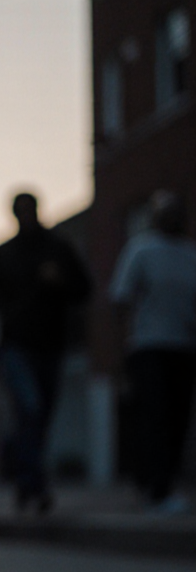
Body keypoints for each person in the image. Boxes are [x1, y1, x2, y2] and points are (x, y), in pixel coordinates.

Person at [0, 192, 91, 515]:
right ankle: (33, 484)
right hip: (15, 346)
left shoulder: (58, 248)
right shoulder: (4, 254)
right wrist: (10, 305)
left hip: (51, 345)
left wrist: (60, 281)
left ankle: (27, 483)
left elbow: (84, 289)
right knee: (30, 408)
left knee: (40, 417)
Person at [110, 191, 196, 517]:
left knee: (178, 420)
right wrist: (122, 347)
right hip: (147, 347)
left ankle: (164, 484)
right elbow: (121, 299)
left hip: (183, 349)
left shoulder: (190, 255)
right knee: (154, 417)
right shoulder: (141, 251)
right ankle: (154, 488)